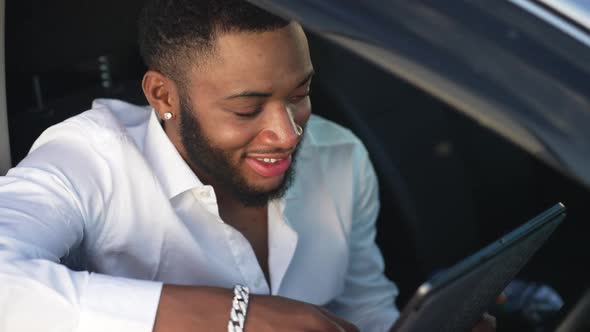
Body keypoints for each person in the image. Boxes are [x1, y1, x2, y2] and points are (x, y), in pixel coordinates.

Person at [0, 0, 495, 331]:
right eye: (246, 109)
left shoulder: (341, 157)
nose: (287, 133)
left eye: (299, 94)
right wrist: (239, 316)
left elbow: (363, 311)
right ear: (163, 95)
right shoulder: (93, 158)